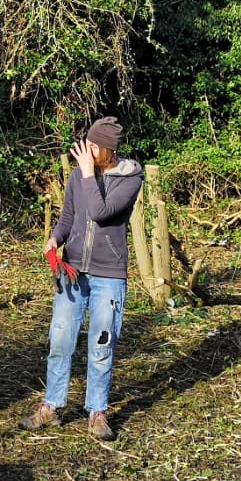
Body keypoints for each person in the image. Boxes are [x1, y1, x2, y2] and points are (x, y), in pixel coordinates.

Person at [21, 116, 143, 442]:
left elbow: (100, 212)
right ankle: (51, 405)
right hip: (73, 271)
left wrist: (88, 174)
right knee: (60, 339)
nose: (85, 151)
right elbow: (69, 217)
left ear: (107, 149)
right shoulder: (79, 174)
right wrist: (55, 239)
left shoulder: (129, 178)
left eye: (92, 146)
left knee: (102, 343)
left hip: (109, 275)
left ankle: (97, 411)